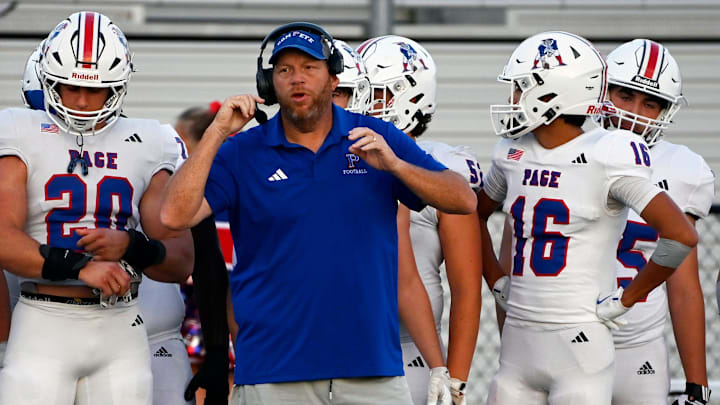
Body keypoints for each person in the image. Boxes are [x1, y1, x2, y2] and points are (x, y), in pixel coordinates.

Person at [160, 22, 476, 405]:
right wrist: (215, 133)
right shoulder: (242, 150)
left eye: (310, 67)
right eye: (284, 69)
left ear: (333, 77)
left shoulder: (376, 136)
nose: (298, 79)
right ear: (268, 84)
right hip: (273, 372)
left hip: (371, 371)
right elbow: (174, 216)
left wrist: (396, 166)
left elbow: (463, 199)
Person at [477, 31, 697, 405]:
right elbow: (471, 215)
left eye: (521, 87)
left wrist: (628, 298)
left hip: (581, 344)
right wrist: (496, 278)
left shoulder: (609, 153)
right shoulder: (511, 153)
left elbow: (681, 236)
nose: (513, 98)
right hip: (518, 342)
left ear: (551, 94)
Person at [0, 12, 193, 405]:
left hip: (123, 325)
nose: (83, 101)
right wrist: (78, 265)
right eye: (70, 87)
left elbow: (179, 259)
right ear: (49, 80)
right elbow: (2, 236)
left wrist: (131, 246)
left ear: (119, 86)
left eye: (97, 90)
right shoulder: (19, 129)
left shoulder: (151, 141)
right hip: (43, 321)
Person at [358, 35, 483, 405]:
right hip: (341, 342)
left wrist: (455, 380)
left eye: (374, 93)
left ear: (408, 96)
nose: (361, 102)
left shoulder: (445, 169)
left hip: (410, 349)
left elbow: (466, 289)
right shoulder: (339, 155)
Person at [332, 38, 456, 404]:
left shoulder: (379, 163)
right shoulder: (274, 155)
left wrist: (444, 368)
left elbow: (407, 276)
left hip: (389, 344)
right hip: (310, 343)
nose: (364, 105)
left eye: (375, 92)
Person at [601, 39, 714, 405]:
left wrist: (697, 386)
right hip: (565, 338)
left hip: (639, 346)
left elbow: (683, 286)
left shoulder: (683, 168)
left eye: (650, 103)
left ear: (666, 111)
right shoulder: (564, 151)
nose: (635, 112)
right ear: (603, 91)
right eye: (625, 95)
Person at [174, 104, 233, 405]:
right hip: (225, 299)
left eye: (178, 138)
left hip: (205, 299)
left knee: (201, 376)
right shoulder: (234, 178)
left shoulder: (198, 190)